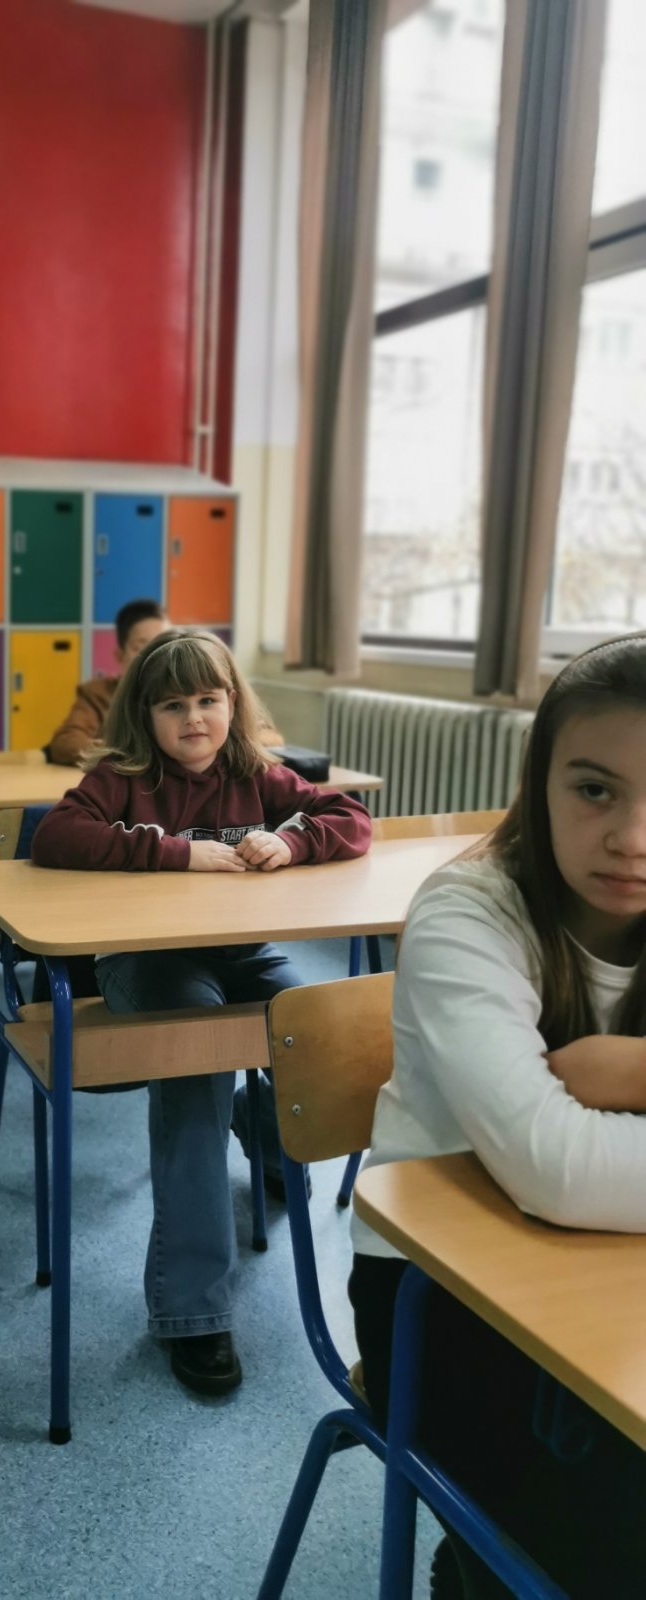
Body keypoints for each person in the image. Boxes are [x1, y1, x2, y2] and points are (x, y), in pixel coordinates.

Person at [349, 632, 646, 1598]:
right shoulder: (469, 912)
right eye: (595, 790)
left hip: (616, 1275)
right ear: (540, 782)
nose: (632, 837)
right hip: (437, 1296)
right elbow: (560, 1169)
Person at [32, 629, 371, 1396]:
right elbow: (57, 836)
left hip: (241, 954)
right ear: (144, 715)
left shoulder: (254, 773)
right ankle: (193, 1312)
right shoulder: (122, 778)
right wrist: (176, 852)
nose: (194, 718)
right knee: (197, 1071)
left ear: (232, 704)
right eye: (173, 705)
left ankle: (261, 1126)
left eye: (209, 700)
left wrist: (291, 845)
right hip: (145, 962)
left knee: (318, 1028)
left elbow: (351, 817)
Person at [47, 599, 170, 767]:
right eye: (141, 648)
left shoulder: (186, 692)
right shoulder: (98, 694)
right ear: (120, 656)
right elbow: (66, 742)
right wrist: (118, 752)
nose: (153, 656)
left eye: (163, 646)